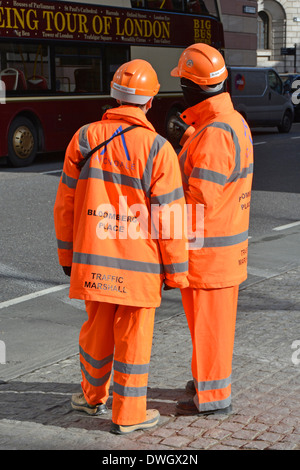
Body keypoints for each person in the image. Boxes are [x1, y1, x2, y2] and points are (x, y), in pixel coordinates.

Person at [53, 59, 189, 434]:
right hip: (140, 266)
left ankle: (91, 397)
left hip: (94, 259)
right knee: (134, 337)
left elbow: (64, 204)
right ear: (149, 104)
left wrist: (67, 256)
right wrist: (176, 271)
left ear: (113, 97)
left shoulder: (84, 138)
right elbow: (170, 218)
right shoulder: (159, 149)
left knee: (96, 329)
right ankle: (129, 415)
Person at [170, 43, 254, 416]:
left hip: (209, 255)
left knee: (211, 331)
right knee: (207, 329)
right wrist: (188, 138)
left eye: (182, 83)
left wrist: (158, 223)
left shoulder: (216, 132)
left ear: (193, 87)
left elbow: (198, 202)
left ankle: (213, 398)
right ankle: (205, 382)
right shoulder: (222, 124)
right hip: (217, 252)